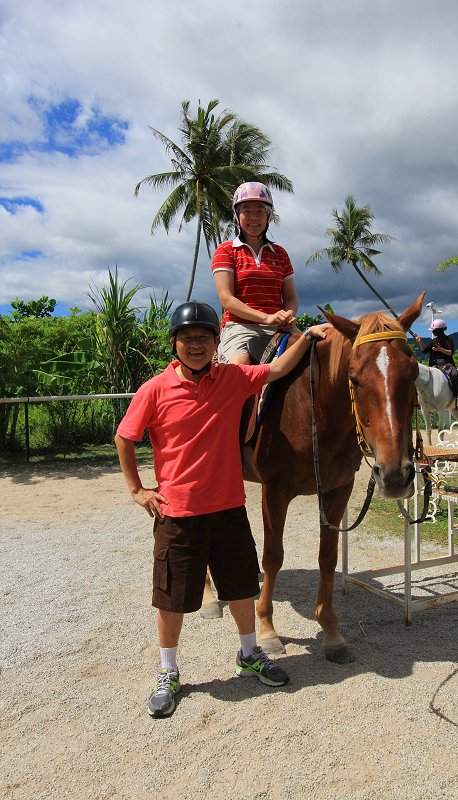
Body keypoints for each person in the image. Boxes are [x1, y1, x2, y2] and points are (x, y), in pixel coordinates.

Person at [114, 300, 330, 717]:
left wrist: (308, 336)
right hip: (178, 512)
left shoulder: (232, 378)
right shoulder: (155, 390)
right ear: (174, 343)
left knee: (240, 587)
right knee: (171, 596)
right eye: (187, 338)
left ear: (217, 342)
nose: (195, 345)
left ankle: (248, 652)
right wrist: (138, 490)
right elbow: (126, 438)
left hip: (230, 507)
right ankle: (168, 670)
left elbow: (277, 370)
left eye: (204, 338)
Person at [211, 181, 299, 365]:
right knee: (240, 369)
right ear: (237, 215)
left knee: (315, 360)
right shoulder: (226, 250)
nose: (254, 217)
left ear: (269, 216)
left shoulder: (280, 253)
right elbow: (227, 299)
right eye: (247, 211)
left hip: (278, 327)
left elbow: (290, 297)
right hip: (240, 327)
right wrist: (267, 318)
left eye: (260, 211)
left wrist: (288, 316)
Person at [414, 318, 458, 403]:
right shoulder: (434, 341)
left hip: (446, 363)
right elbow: (424, 350)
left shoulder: (448, 339)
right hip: (434, 364)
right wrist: (420, 342)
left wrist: (440, 349)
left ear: (439, 330)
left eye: (434, 330)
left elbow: (450, 352)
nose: (432, 332)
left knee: (454, 374)